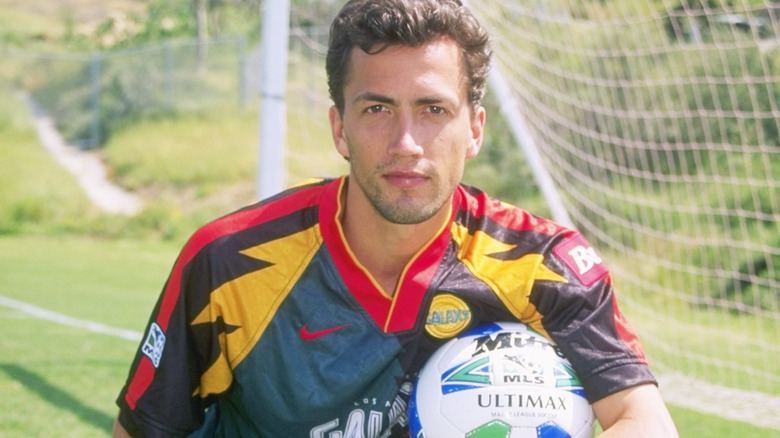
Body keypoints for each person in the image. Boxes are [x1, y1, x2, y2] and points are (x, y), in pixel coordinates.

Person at [113, 0, 679, 436]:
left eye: (433, 109)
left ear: (475, 128)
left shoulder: (545, 266)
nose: (406, 143)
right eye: (377, 109)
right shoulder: (228, 264)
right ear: (340, 128)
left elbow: (642, 417)